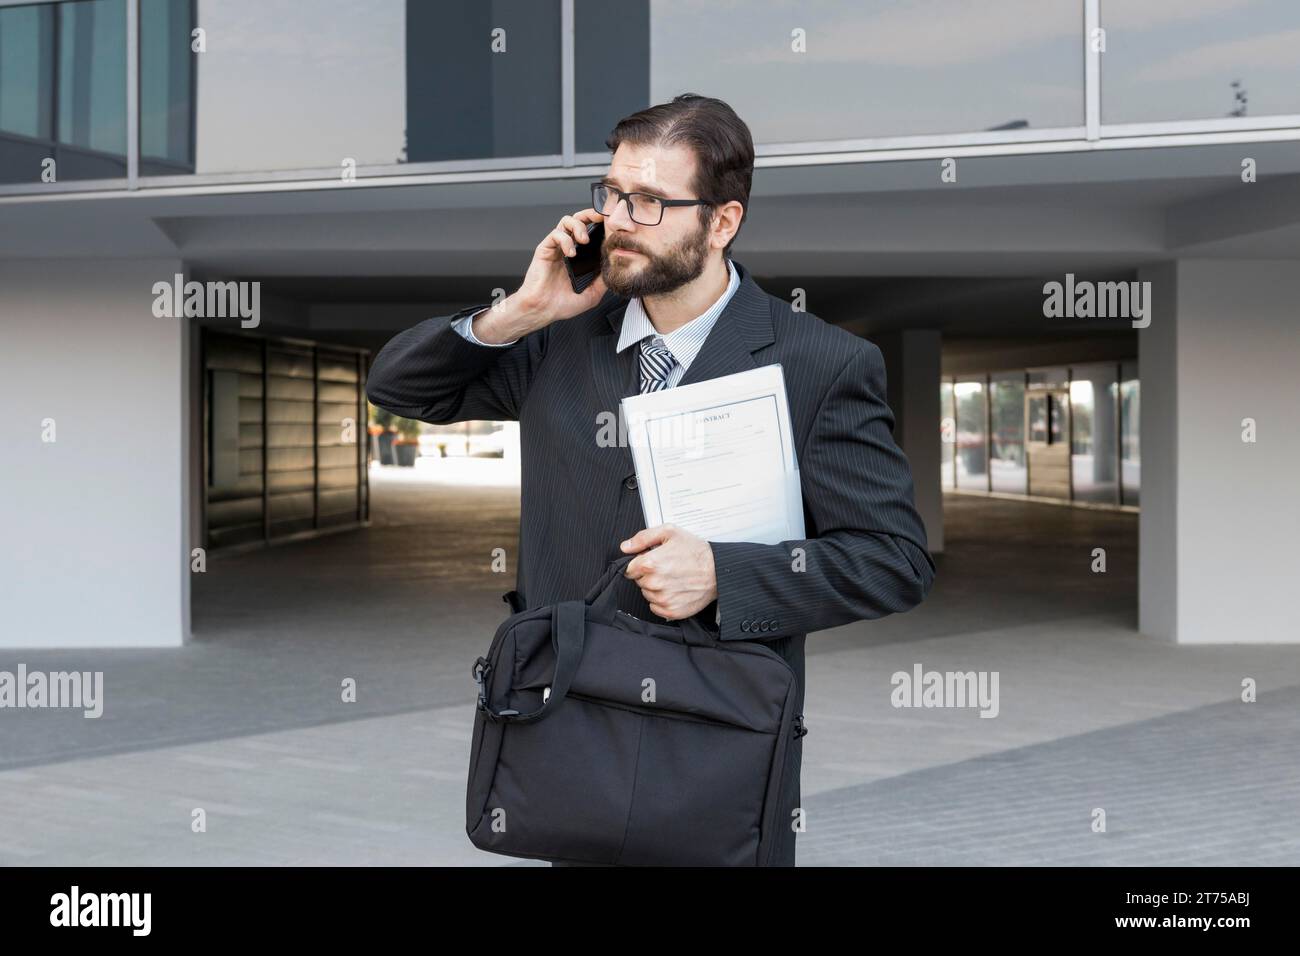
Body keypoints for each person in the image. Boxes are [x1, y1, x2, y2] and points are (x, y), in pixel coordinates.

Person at [366, 93, 936, 866]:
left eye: (649, 201)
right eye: (611, 193)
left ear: (723, 221)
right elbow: (401, 388)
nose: (619, 219)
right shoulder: (555, 341)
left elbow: (893, 560)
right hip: (566, 727)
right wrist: (520, 312)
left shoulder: (821, 364)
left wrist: (726, 575)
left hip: (717, 749)